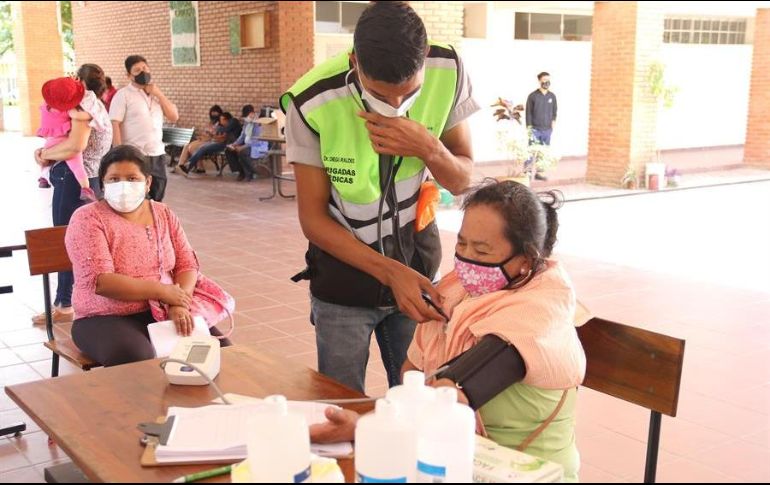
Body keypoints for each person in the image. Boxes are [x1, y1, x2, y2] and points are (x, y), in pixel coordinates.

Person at [310, 180, 587, 481]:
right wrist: (369, 424)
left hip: (527, 473)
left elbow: (447, 396)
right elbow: (412, 375)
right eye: (462, 243)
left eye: (481, 251)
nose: (466, 259)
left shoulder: (536, 315)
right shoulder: (457, 295)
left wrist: (370, 424)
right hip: (454, 460)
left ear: (526, 260)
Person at [281, 1, 478, 393]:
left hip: (418, 264)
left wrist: (430, 148)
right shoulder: (311, 101)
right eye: (378, 94)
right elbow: (314, 220)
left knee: (418, 397)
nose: (394, 107)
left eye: (409, 94)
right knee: (341, 403)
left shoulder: (449, 68)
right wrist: (391, 273)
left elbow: (461, 181)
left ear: (424, 58)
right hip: (343, 281)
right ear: (354, 61)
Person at [64, 145, 232, 366]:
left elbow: (186, 264)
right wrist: (164, 292)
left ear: (148, 183)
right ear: (103, 185)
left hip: (162, 308)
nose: (123, 186)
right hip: (102, 316)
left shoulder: (163, 213)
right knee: (136, 356)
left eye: (132, 178)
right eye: (114, 179)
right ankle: (137, 401)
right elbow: (103, 282)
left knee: (219, 350)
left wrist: (179, 304)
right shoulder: (88, 219)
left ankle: (191, 400)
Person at [32, 63, 113, 326]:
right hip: (86, 179)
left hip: (74, 181)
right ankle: (79, 300)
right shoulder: (95, 105)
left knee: (65, 240)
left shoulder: (82, 108)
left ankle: (64, 304)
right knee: (80, 241)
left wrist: (43, 155)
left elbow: (75, 146)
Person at [109, 55, 179, 201]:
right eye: (137, 70)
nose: (143, 72)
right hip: (134, 154)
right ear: (129, 75)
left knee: (157, 195)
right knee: (137, 197)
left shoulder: (156, 95)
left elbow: (174, 116)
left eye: (145, 68)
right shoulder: (123, 95)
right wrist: (119, 153)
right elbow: (115, 124)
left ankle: (152, 223)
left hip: (157, 153)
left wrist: (158, 94)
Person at [36, 76, 110, 202]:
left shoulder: (46, 106)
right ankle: (85, 188)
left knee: (63, 221)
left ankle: (43, 176)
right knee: (77, 167)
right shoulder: (77, 108)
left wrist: (44, 155)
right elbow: (76, 146)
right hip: (74, 170)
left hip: (52, 143)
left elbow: (76, 145)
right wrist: (92, 116)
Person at [180, 112, 241, 177]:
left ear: (226, 119)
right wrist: (212, 135)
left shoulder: (233, 122)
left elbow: (224, 135)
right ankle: (187, 166)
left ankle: (188, 166)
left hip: (227, 145)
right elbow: (220, 137)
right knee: (202, 147)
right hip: (221, 143)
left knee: (203, 148)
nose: (221, 122)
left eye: (222, 120)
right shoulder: (227, 127)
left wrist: (216, 129)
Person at [525, 72, 557, 181]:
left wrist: (553, 123)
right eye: (544, 80)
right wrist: (529, 128)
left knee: (543, 152)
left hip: (547, 129)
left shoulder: (552, 96)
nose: (547, 82)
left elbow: (554, 111)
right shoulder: (533, 96)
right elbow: (528, 113)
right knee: (531, 151)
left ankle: (539, 173)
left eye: (548, 79)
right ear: (539, 81)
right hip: (535, 129)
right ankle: (527, 173)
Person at [225, 104, 269, 181]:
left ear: (252, 113)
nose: (246, 118)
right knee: (229, 151)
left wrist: (243, 147)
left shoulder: (258, 124)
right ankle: (241, 171)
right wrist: (234, 144)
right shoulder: (247, 123)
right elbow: (242, 136)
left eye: (247, 116)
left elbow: (256, 140)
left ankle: (249, 174)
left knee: (242, 152)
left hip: (256, 146)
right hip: (247, 144)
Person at [175, 105, 222, 172]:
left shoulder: (220, 124)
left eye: (215, 113)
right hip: (203, 139)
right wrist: (202, 136)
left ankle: (200, 167)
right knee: (186, 146)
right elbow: (206, 132)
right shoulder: (211, 122)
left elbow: (216, 135)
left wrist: (210, 134)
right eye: (212, 113)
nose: (214, 114)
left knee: (192, 147)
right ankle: (180, 165)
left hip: (210, 141)